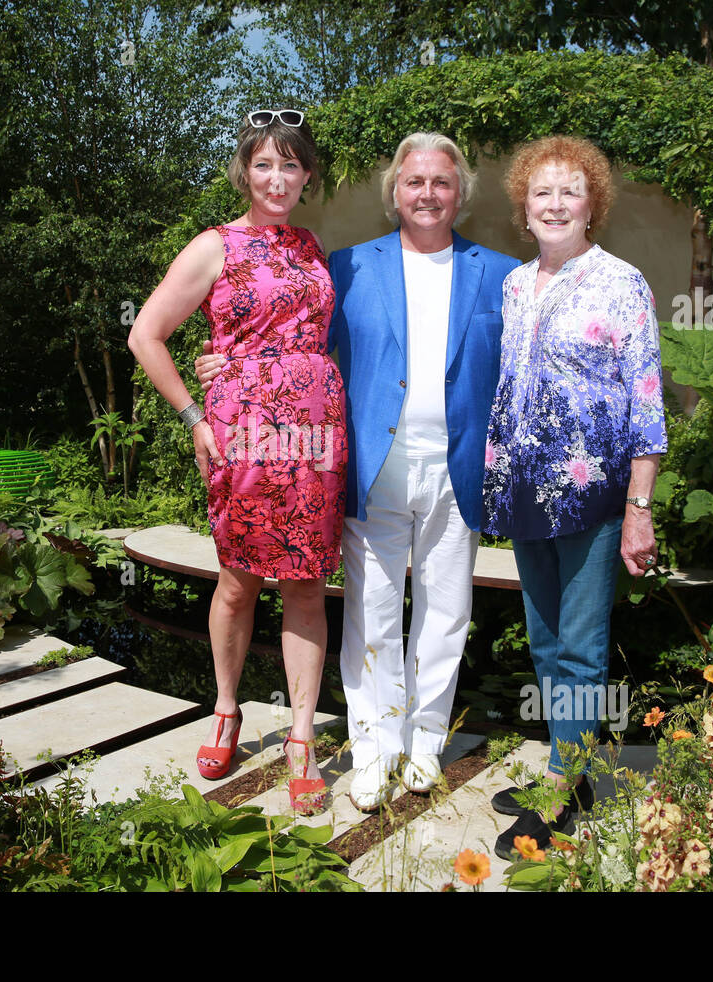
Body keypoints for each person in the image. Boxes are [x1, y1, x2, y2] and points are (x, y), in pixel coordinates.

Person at [199, 133, 519, 812]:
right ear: (393, 193)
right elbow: (282, 335)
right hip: (370, 465)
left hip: (458, 467)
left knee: (446, 612)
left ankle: (425, 744)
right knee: (372, 613)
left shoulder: (501, 273)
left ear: (460, 189)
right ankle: (371, 749)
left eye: (441, 181)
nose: (427, 193)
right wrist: (221, 364)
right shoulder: (343, 266)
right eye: (414, 182)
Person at [127, 109, 347, 815]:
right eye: (263, 164)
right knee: (238, 580)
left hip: (313, 436)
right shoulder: (214, 245)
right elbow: (146, 335)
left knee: (307, 584)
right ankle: (225, 708)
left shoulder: (313, 247)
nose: (277, 178)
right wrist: (195, 415)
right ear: (244, 172)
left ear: (307, 175)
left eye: (290, 165)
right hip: (243, 437)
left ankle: (302, 739)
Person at [482, 134, 667, 858]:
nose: (555, 204)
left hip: (592, 499)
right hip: (527, 490)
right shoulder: (515, 285)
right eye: (542, 192)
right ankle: (576, 767)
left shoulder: (622, 283)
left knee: (582, 650)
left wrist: (638, 509)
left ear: (594, 204)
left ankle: (561, 789)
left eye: (571, 191)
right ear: (523, 209)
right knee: (545, 640)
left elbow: (646, 404)